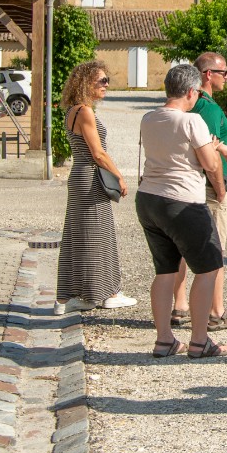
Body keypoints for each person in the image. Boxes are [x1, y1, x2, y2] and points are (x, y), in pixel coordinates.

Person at [136, 64, 227, 358]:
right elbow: (210, 164)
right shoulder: (191, 122)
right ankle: (200, 340)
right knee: (208, 268)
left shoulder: (148, 118)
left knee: (165, 271)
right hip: (184, 201)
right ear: (192, 91)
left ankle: (164, 339)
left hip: (149, 198)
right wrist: (218, 149)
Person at [171, 53, 227, 331]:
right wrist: (220, 187)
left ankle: (180, 306)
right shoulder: (209, 109)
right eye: (223, 72)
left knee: (180, 249)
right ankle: (216, 311)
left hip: (183, 182)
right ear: (207, 74)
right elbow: (208, 149)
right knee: (215, 251)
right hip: (208, 185)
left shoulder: (187, 105)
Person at [54, 60, 136, 315]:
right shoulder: (84, 112)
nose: (106, 85)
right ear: (86, 82)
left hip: (80, 175)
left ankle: (82, 294)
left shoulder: (72, 110)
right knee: (96, 235)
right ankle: (107, 293)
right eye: (102, 81)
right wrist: (119, 176)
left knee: (81, 236)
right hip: (90, 175)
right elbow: (98, 153)